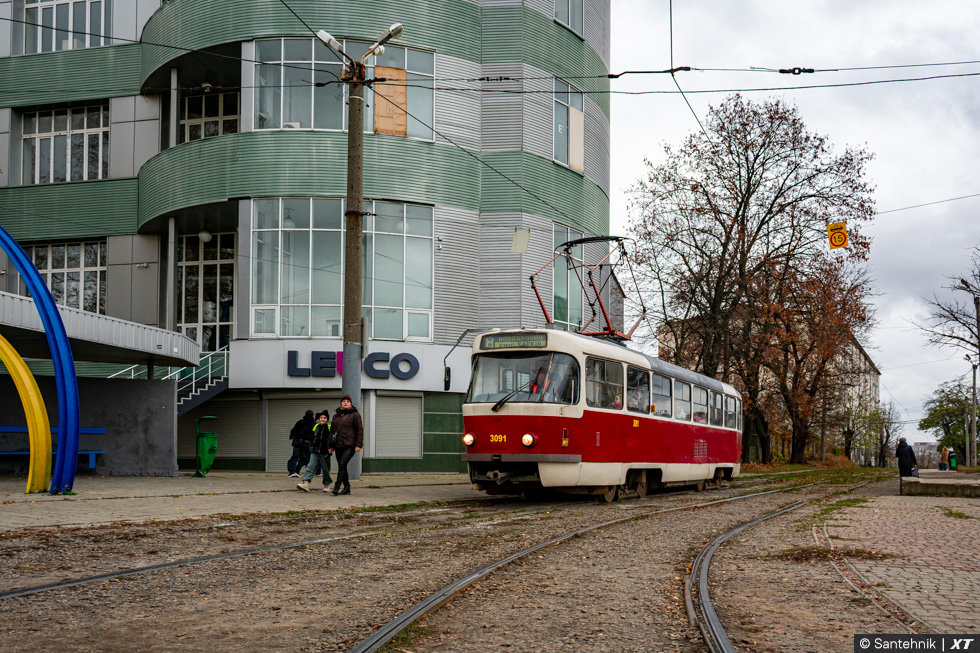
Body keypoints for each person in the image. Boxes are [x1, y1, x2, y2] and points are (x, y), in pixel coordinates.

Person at [329, 394, 363, 495]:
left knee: (342, 464)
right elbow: (331, 432)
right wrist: (330, 446)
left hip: (350, 445)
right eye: (344, 401)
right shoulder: (336, 416)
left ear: (350, 403)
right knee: (341, 466)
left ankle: (337, 487)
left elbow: (359, 430)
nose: (345, 402)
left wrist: (358, 444)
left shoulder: (355, 415)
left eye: (347, 401)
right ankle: (347, 487)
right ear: (341, 403)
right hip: (338, 445)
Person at [296, 412, 334, 492]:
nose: (322, 419)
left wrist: (331, 447)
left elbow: (333, 439)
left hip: (325, 452)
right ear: (318, 419)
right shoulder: (316, 427)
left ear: (327, 419)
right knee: (310, 466)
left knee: (325, 469)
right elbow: (313, 437)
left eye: (324, 418)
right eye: (321, 418)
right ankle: (305, 483)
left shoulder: (330, 427)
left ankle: (326, 485)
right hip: (315, 451)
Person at [287, 409, 315, 478]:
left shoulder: (300, 422)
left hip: (298, 441)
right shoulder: (313, 424)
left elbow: (294, 430)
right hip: (307, 442)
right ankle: (297, 471)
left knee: (295, 456)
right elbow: (314, 434)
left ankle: (292, 472)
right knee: (303, 458)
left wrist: (291, 437)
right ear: (312, 415)